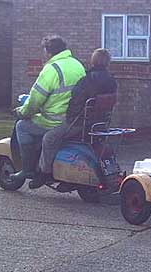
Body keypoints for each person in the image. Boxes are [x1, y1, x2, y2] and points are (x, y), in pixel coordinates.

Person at [29, 48, 118, 189]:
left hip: (80, 123)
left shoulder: (87, 80)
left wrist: (68, 117)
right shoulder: (112, 81)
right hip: (100, 124)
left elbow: (75, 102)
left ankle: (44, 173)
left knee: (49, 138)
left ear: (93, 61)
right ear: (108, 62)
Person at [10, 35, 86, 182]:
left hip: (55, 122)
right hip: (75, 118)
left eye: (44, 50)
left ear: (49, 52)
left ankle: (26, 170)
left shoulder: (51, 69)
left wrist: (21, 112)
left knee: (22, 126)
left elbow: (35, 101)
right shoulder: (77, 65)